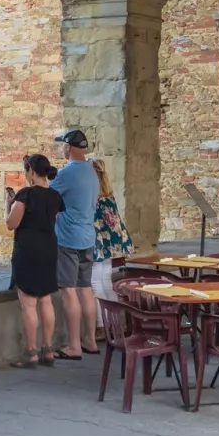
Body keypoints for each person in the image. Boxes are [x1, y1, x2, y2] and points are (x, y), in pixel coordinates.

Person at [5, 153, 64, 368]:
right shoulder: (56, 196)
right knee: (45, 300)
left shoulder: (25, 195)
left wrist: (8, 205)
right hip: (49, 249)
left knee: (29, 303)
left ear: (30, 171)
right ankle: (48, 350)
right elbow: (51, 220)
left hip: (28, 250)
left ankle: (30, 353)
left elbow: (12, 223)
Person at [49, 129, 101, 358]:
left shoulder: (67, 172)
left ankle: (73, 346)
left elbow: (47, 197)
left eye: (62, 145)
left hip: (68, 238)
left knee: (68, 291)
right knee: (85, 289)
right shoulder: (91, 171)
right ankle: (90, 340)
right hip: (88, 237)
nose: (61, 149)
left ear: (68, 147)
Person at [89, 159, 135, 331]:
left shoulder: (93, 198)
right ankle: (115, 323)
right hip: (110, 242)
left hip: (97, 241)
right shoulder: (109, 196)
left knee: (95, 281)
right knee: (106, 280)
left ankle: (102, 324)